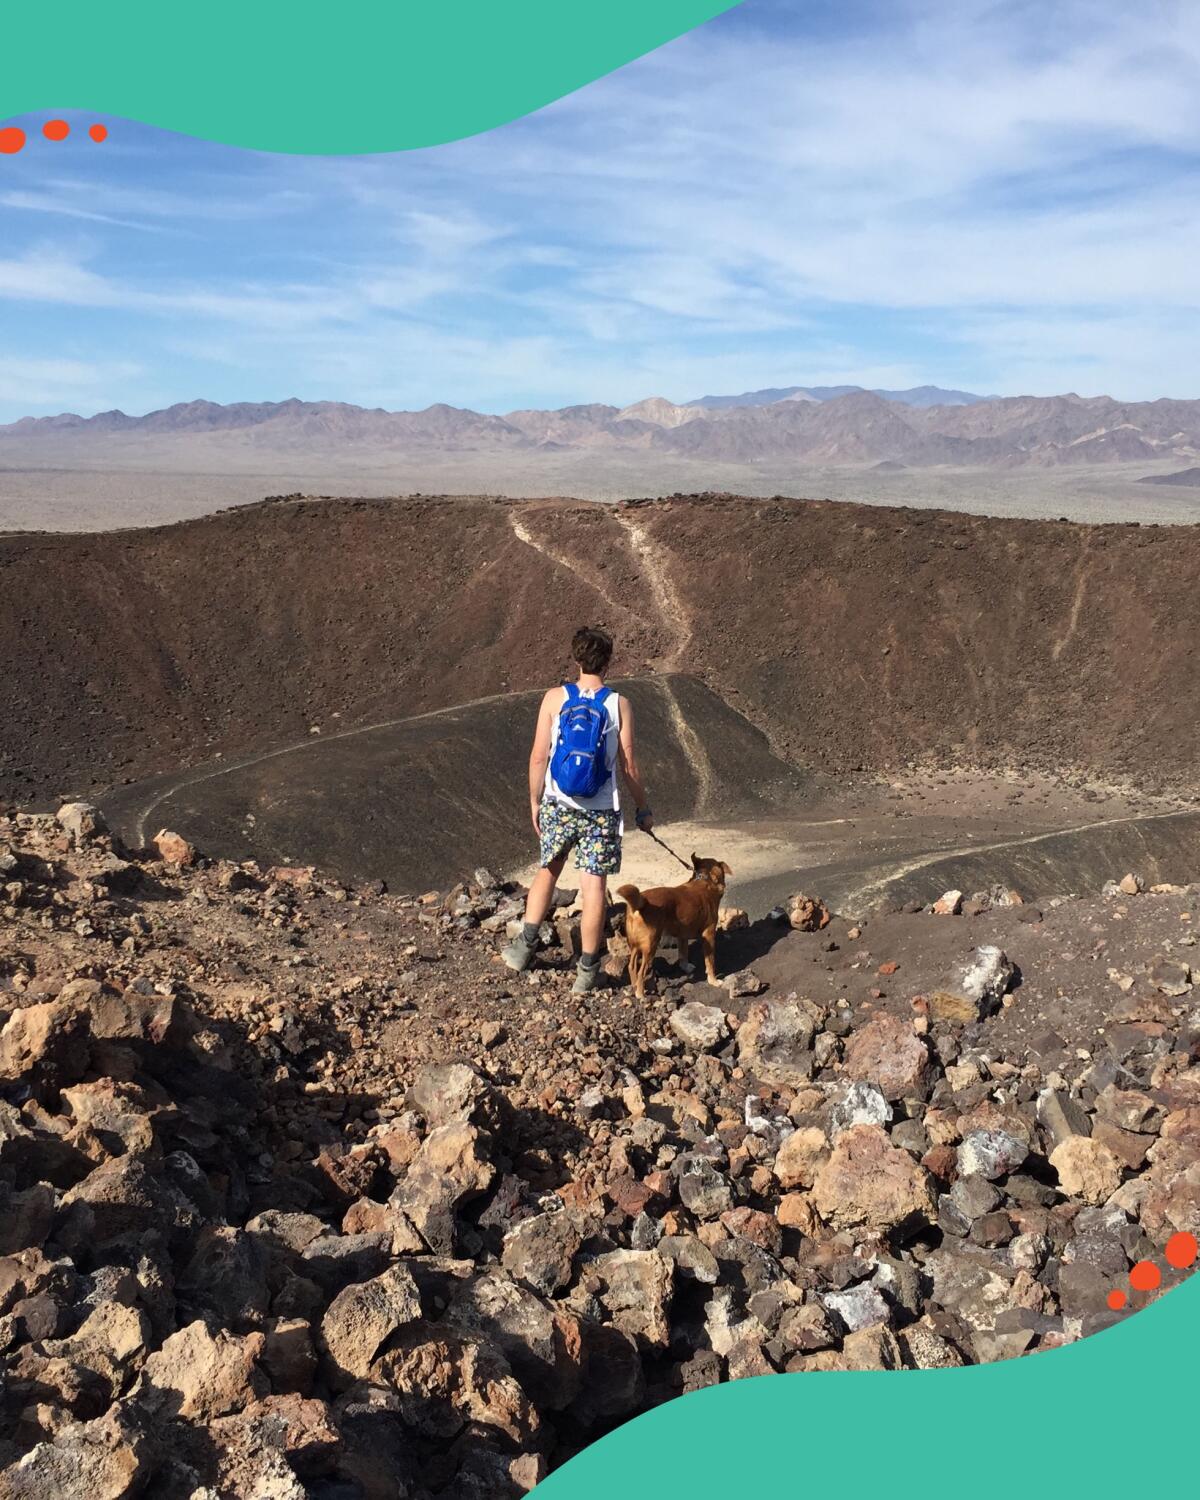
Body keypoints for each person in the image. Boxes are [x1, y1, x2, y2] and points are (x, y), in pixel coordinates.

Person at [502, 626, 652, 993]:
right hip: (600, 810)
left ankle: (523, 950)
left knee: (548, 871)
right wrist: (643, 807)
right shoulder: (619, 704)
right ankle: (587, 972)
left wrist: (535, 800)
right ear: (608, 661)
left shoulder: (555, 699)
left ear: (576, 660)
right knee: (593, 886)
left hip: (558, 802)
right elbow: (629, 764)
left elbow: (539, 756)